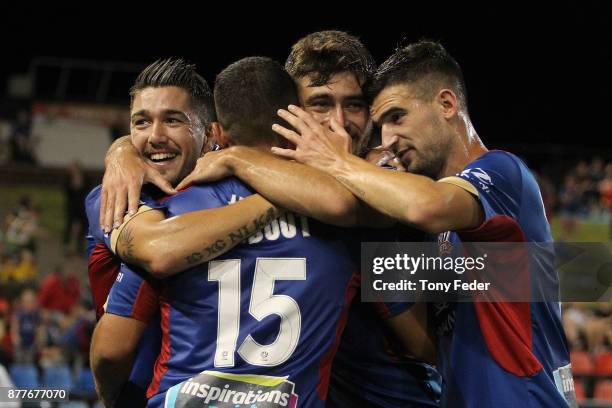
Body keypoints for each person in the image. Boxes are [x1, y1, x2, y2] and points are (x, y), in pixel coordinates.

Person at [99, 31, 441, 407]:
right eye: (321, 105)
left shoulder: (392, 184)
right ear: (285, 110)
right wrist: (122, 152)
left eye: (355, 105)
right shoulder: (134, 190)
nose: (339, 124)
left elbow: (447, 328)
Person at [270, 39, 576, 407]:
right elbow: (426, 343)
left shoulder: (502, 172)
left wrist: (336, 162)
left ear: (446, 104)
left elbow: (425, 207)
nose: (389, 139)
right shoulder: (446, 233)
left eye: (398, 117)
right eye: (381, 124)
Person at [86, 58, 282, 407]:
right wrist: (120, 151)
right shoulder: (114, 194)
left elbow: (109, 354)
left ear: (210, 135)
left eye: (173, 120)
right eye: (141, 122)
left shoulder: (254, 194)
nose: (155, 137)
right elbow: (158, 251)